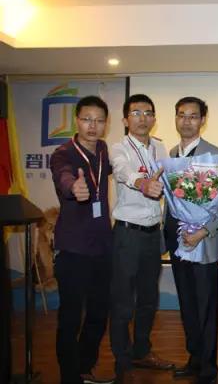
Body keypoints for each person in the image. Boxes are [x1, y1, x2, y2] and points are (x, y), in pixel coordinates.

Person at [163, 97, 218, 384]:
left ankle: (208, 367)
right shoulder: (171, 153)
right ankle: (194, 358)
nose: (186, 121)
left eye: (193, 116)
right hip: (179, 241)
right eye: (181, 115)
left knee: (206, 306)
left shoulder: (216, 154)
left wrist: (203, 231)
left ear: (203, 120)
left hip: (203, 241)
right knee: (187, 303)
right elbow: (170, 201)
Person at [109, 94, 174, 382]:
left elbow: (170, 180)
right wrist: (143, 183)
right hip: (127, 233)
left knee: (148, 298)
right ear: (125, 119)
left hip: (152, 233)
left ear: (154, 118)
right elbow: (124, 172)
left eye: (148, 113)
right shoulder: (118, 148)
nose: (142, 118)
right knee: (123, 301)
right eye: (136, 113)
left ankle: (142, 351)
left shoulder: (160, 147)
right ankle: (122, 360)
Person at [50, 95, 114, 384]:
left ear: (106, 124)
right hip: (73, 248)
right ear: (77, 120)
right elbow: (63, 176)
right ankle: (69, 377)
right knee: (70, 317)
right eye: (87, 119)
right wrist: (72, 187)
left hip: (102, 247)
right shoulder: (63, 153)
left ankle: (85, 367)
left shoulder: (103, 149)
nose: (93, 126)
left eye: (99, 121)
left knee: (99, 313)